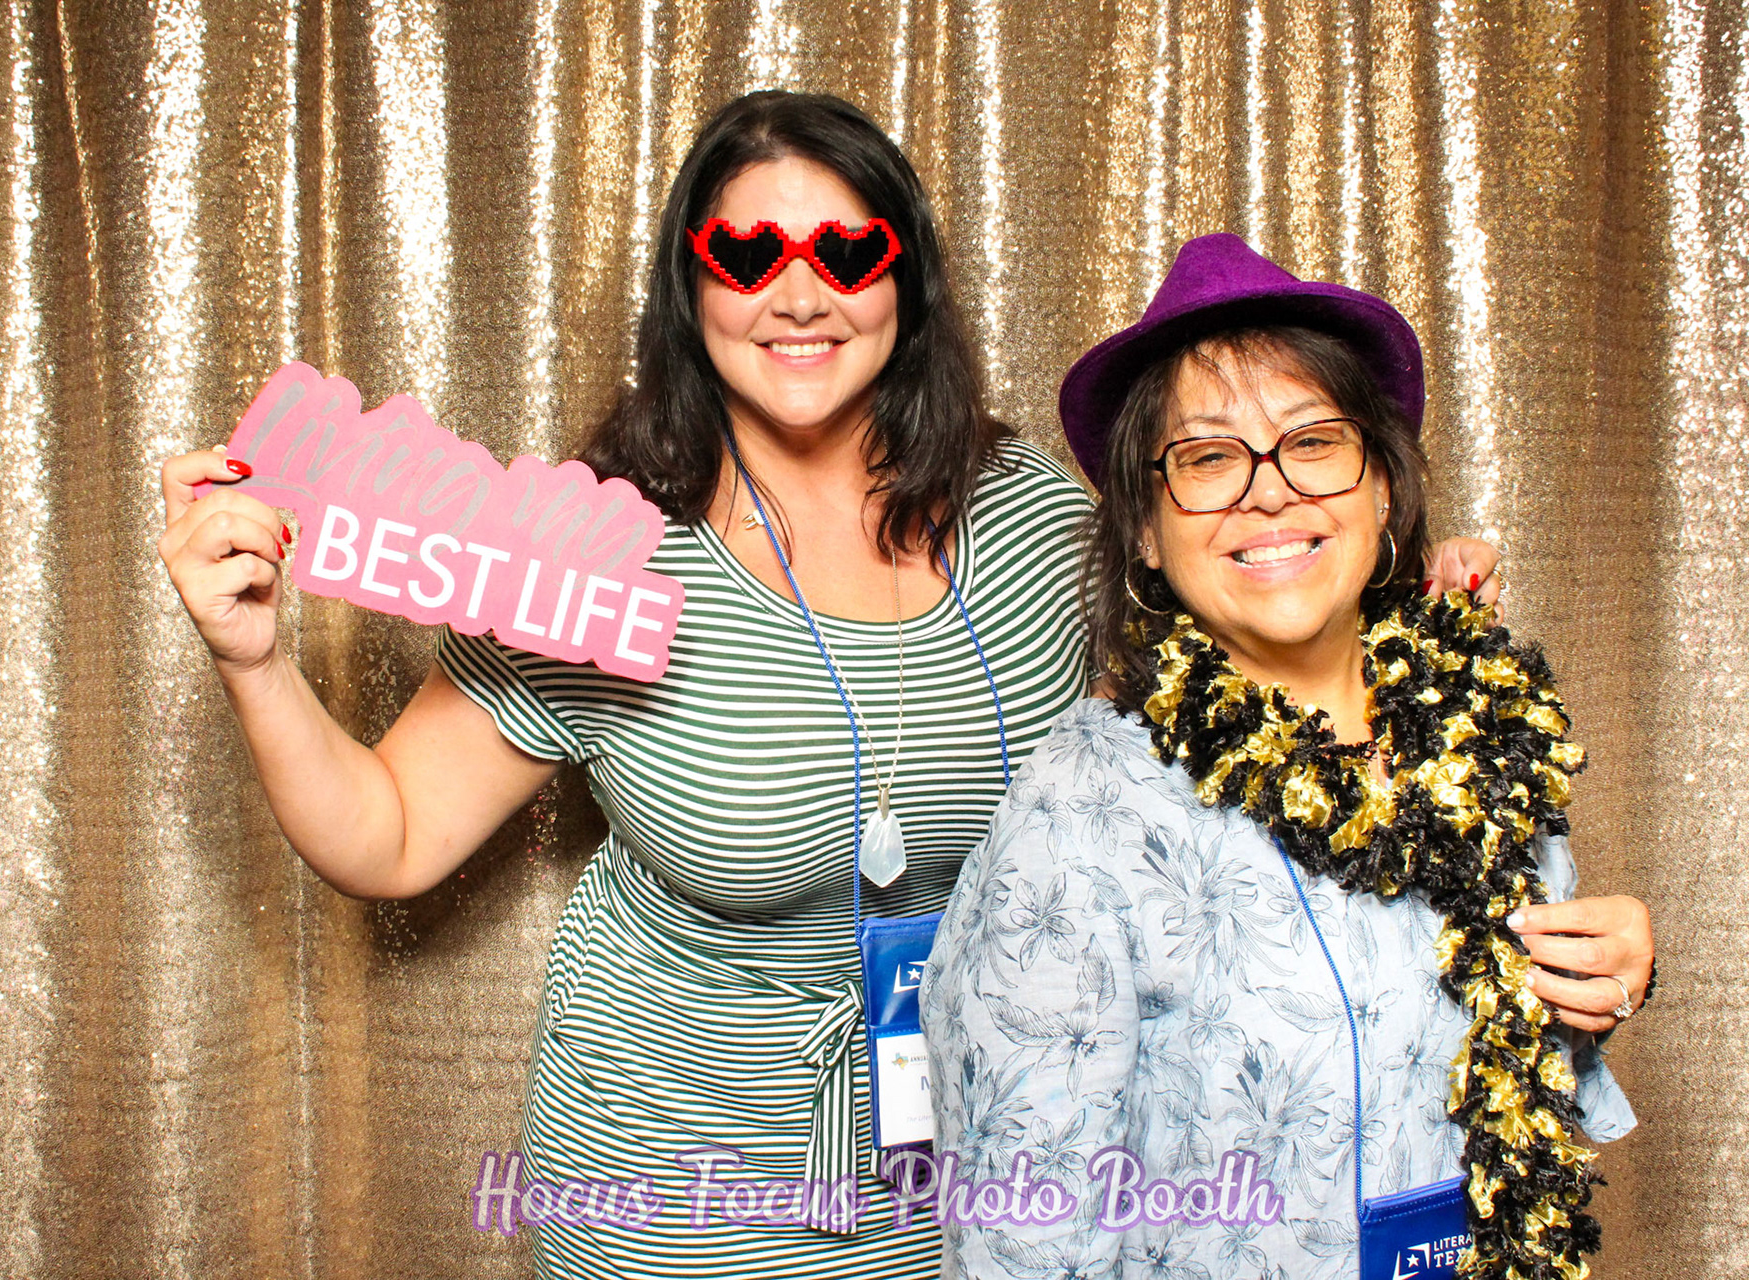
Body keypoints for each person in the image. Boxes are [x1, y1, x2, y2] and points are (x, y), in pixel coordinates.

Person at [156, 94, 1646, 1277]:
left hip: (995, 1168)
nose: (799, 294)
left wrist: (1409, 626)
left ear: (906, 279)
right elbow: (390, 836)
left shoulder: (1036, 517)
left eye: (848, 252)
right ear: (690, 288)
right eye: (748, 255)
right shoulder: (602, 551)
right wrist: (255, 661)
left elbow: (1248, 680)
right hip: (686, 1187)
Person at [920, 233, 1641, 1280]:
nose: (1270, 492)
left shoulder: (1476, 727)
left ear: (1383, 485)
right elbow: (1023, 1234)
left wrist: (1608, 980)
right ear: (1146, 532)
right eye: (1209, 458)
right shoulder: (1083, 808)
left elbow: (1517, 1075)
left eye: (1313, 440)